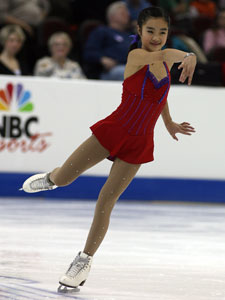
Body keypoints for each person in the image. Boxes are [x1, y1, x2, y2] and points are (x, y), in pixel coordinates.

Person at [20, 6, 196, 289]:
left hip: (139, 142)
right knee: (65, 178)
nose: (156, 36)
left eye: (162, 31)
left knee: (105, 201)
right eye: (150, 30)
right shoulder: (137, 56)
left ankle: (83, 261)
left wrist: (170, 123)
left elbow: (160, 96)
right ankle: (52, 178)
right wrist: (190, 55)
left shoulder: (164, 66)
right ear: (139, 31)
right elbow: (163, 54)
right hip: (113, 131)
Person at [83, 1, 132, 80]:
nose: (127, 15)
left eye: (127, 13)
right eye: (123, 13)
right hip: (112, 70)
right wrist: (102, 59)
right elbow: (89, 52)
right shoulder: (102, 31)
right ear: (112, 16)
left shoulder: (130, 35)